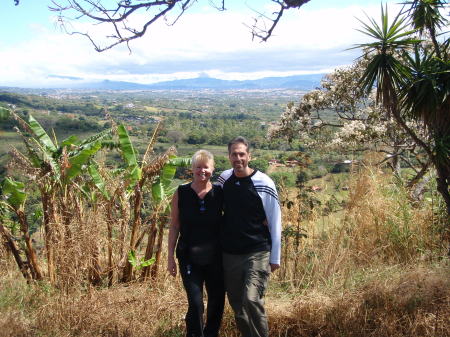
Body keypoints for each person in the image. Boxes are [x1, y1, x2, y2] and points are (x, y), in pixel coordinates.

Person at [217, 136, 281, 337]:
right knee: (237, 305)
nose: (238, 158)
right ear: (229, 157)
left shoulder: (263, 182)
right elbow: (214, 208)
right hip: (230, 253)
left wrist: (275, 257)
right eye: (234, 154)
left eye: (242, 154)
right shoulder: (224, 179)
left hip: (257, 251)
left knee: (252, 299)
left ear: (249, 156)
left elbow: (275, 220)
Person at [167, 150, 225, 337]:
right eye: (198, 167)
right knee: (195, 302)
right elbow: (174, 226)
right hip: (188, 255)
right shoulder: (181, 193)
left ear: (213, 169)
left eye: (206, 167)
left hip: (216, 256)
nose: (202, 171)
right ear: (192, 169)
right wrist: (170, 257)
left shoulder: (220, 193)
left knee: (216, 300)